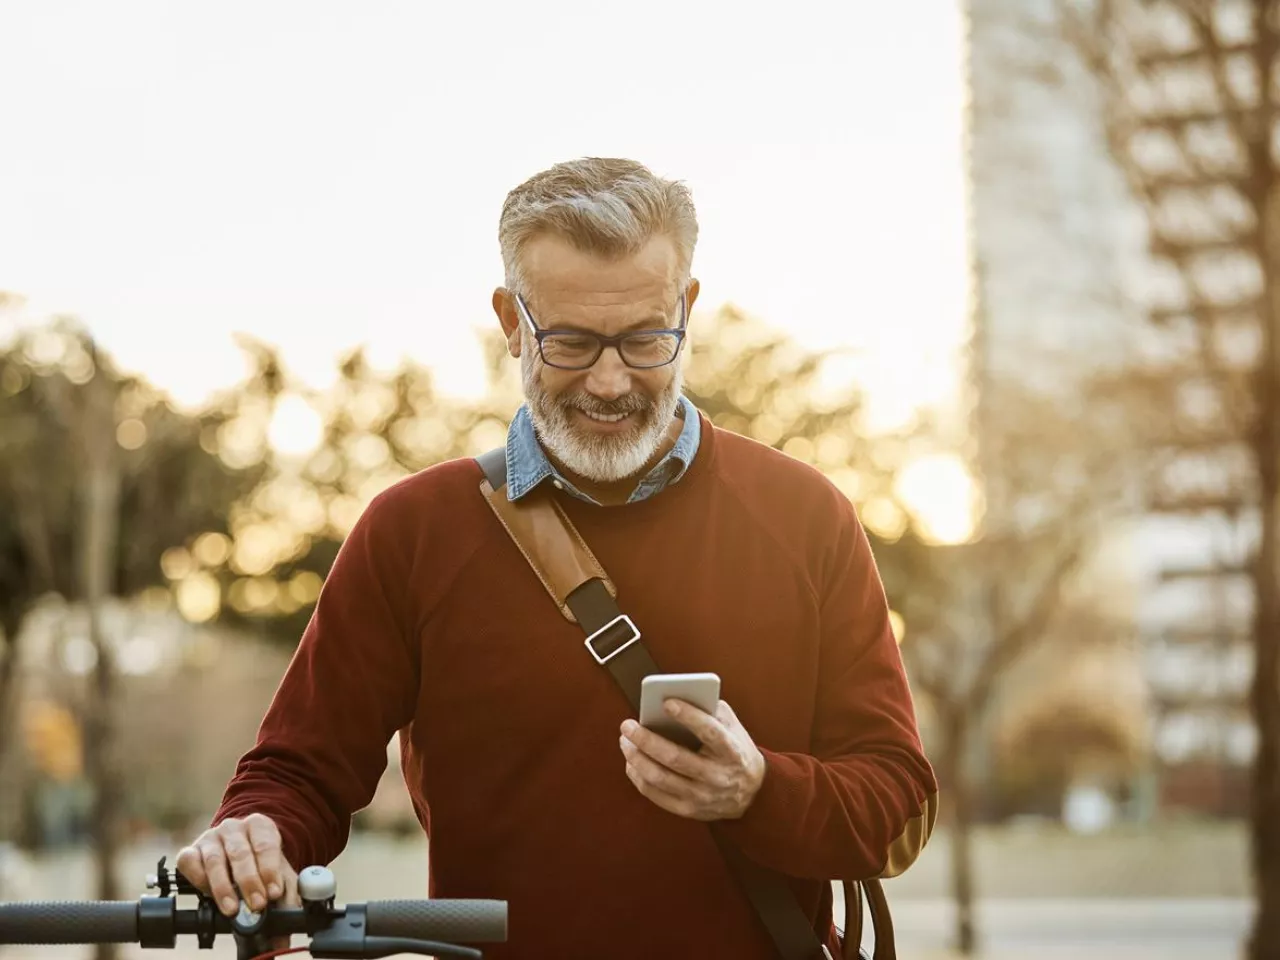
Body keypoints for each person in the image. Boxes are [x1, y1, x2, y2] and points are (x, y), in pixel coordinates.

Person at [177, 158, 939, 959]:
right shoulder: (409, 533)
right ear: (512, 321)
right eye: (570, 341)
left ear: (687, 309)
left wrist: (759, 790)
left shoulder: (808, 516)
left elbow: (899, 808)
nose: (610, 382)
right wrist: (252, 834)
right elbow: (298, 776)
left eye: (646, 339)